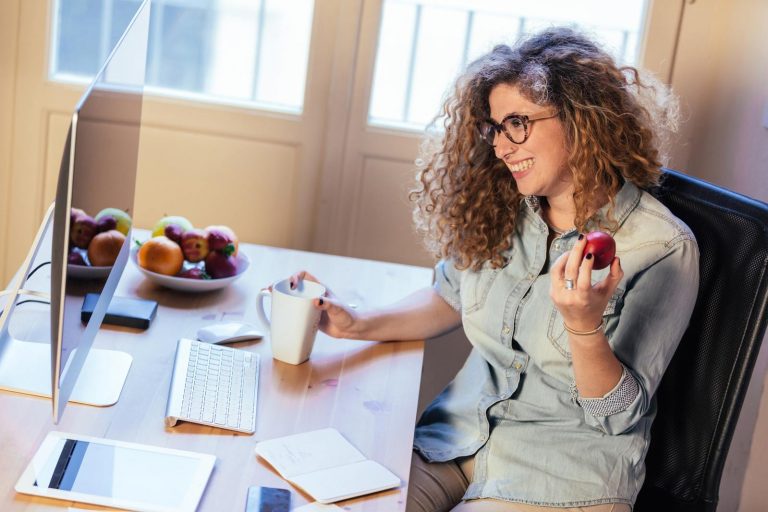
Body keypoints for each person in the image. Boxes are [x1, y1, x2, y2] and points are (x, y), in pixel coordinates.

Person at [288, 27, 699, 511]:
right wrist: (358, 322)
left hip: (559, 478)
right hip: (455, 442)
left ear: (582, 119)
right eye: (496, 128)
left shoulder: (661, 247)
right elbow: (451, 292)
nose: (502, 147)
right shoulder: (509, 208)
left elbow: (617, 416)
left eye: (518, 123)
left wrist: (583, 328)